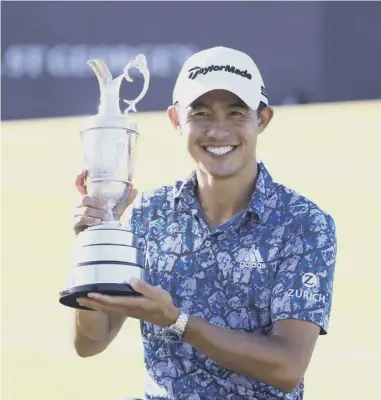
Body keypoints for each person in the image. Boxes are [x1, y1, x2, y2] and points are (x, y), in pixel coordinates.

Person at [70, 46, 338, 400]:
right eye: (200, 113)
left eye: (236, 113)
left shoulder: (303, 224)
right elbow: (90, 342)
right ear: (175, 120)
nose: (217, 130)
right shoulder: (150, 212)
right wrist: (95, 246)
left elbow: (287, 367)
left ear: (263, 119)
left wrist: (176, 320)